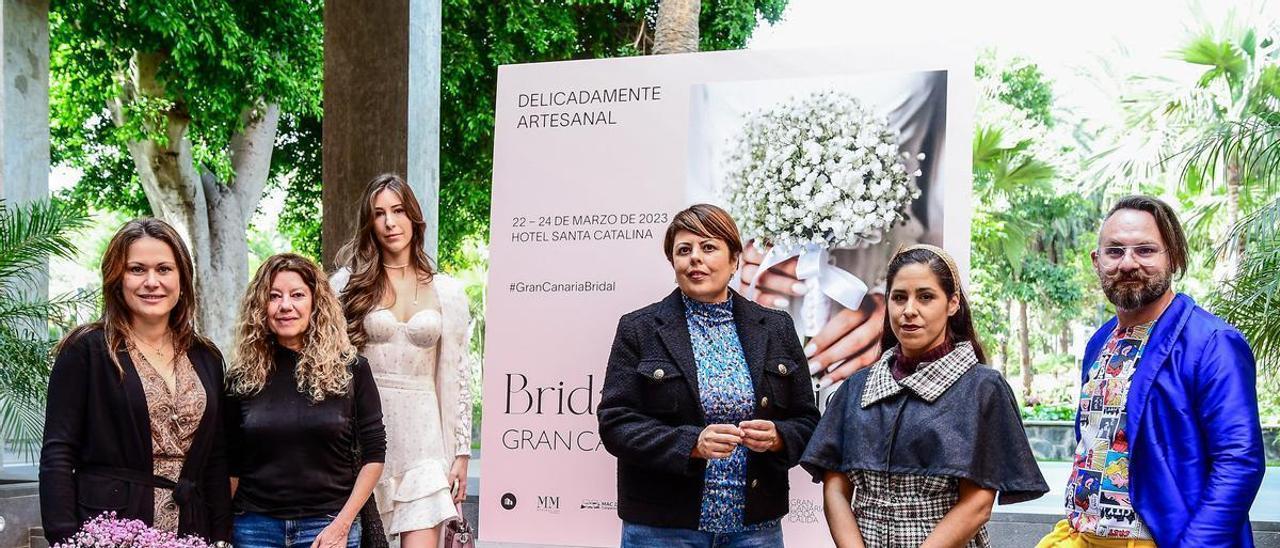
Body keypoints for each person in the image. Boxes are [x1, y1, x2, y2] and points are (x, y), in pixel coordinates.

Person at [1037, 196, 1264, 547]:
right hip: (1082, 536)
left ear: (1172, 257)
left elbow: (1238, 463)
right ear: (1096, 261)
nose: (1128, 263)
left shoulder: (1213, 342)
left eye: (1145, 250)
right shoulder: (1100, 341)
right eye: (1114, 251)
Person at [598, 204, 820, 547]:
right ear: (674, 265)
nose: (695, 259)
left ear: (734, 261)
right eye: (684, 250)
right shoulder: (639, 329)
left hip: (755, 529)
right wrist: (691, 444)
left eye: (708, 247)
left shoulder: (776, 328)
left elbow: (806, 419)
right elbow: (616, 424)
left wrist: (778, 437)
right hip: (662, 529)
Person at [801, 244, 1048, 547]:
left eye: (926, 297)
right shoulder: (856, 387)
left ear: (953, 303)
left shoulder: (983, 388)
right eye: (899, 297)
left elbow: (978, 504)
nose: (909, 311)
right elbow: (836, 489)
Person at [40, 218, 232, 545]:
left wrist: (222, 537)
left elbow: (215, 460)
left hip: (191, 529)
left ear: (183, 279)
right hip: (109, 527)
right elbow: (58, 454)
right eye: (137, 269)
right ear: (118, 280)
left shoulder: (206, 357)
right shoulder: (87, 350)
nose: (152, 282)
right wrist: (64, 539)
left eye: (164, 269)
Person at [329, 173, 474, 548]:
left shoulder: (448, 291)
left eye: (398, 211)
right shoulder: (345, 286)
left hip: (425, 440)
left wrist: (460, 452)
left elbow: (459, 375)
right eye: (379, 214)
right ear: (369, 223)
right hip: (363, 437)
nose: (390, 222)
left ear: (414, 217)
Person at [225, 254, 386, 548]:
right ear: (261, 307)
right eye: (274, 296)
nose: (285, 305)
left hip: (328, 527)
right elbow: (233, 462)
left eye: (297, 295)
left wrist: (343, 524)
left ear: (315, 303)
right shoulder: (242, 377)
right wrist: (221, 528)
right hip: (254, 529)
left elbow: (374, 455)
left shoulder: (351, 369)